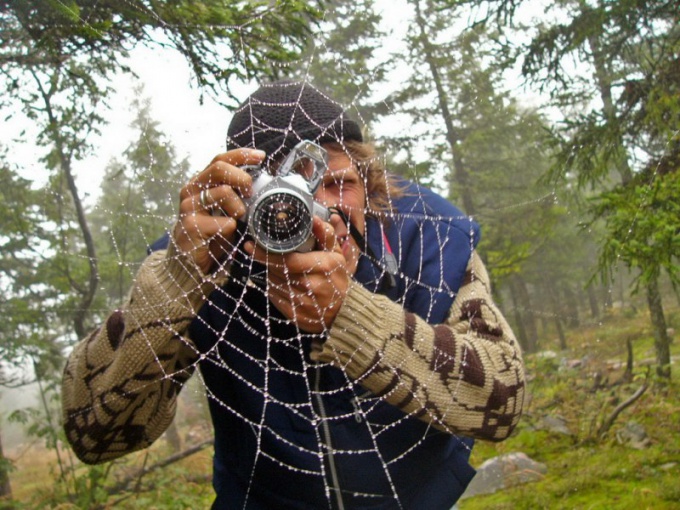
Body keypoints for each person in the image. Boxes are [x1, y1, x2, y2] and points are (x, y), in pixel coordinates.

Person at [62, 80, 525, 509]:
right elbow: (94, 436)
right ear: (240, 200)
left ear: (371, 184)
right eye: (284, 192)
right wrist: (177, 287)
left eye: (339, 182)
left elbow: (504, 403)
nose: (320, 210)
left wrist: (349, 316)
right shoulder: (202, 259)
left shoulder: (428, 240)